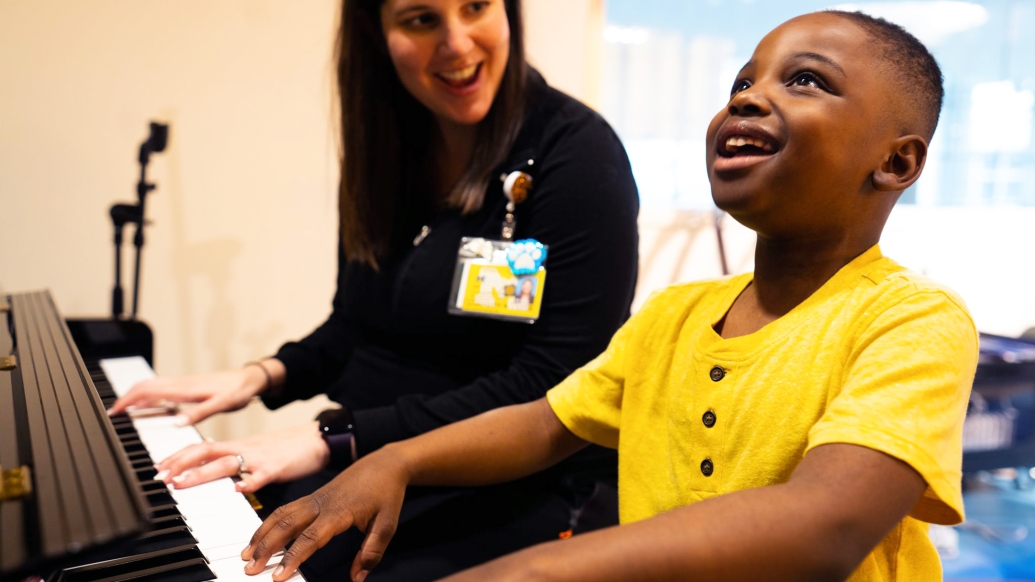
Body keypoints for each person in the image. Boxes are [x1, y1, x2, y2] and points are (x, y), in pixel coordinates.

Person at [240, 10, 979, 582]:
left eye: (804, 80)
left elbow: (825, 525)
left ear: (896, 161)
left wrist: (531, 568)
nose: (749, 99)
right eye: (741, 84)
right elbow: (544, 423)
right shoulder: (674, 315)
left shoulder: (911, 323)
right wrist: (392, 461)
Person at [109, 0, 639, 579]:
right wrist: (259, 375)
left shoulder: (580, 156)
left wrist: (334, 439)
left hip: (514, 486)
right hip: (372, 460)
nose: (457, 43)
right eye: (421, 19)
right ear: (376, 35)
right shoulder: (389, 149)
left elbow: (551, 385)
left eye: (476, 7)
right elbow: (356, 325)